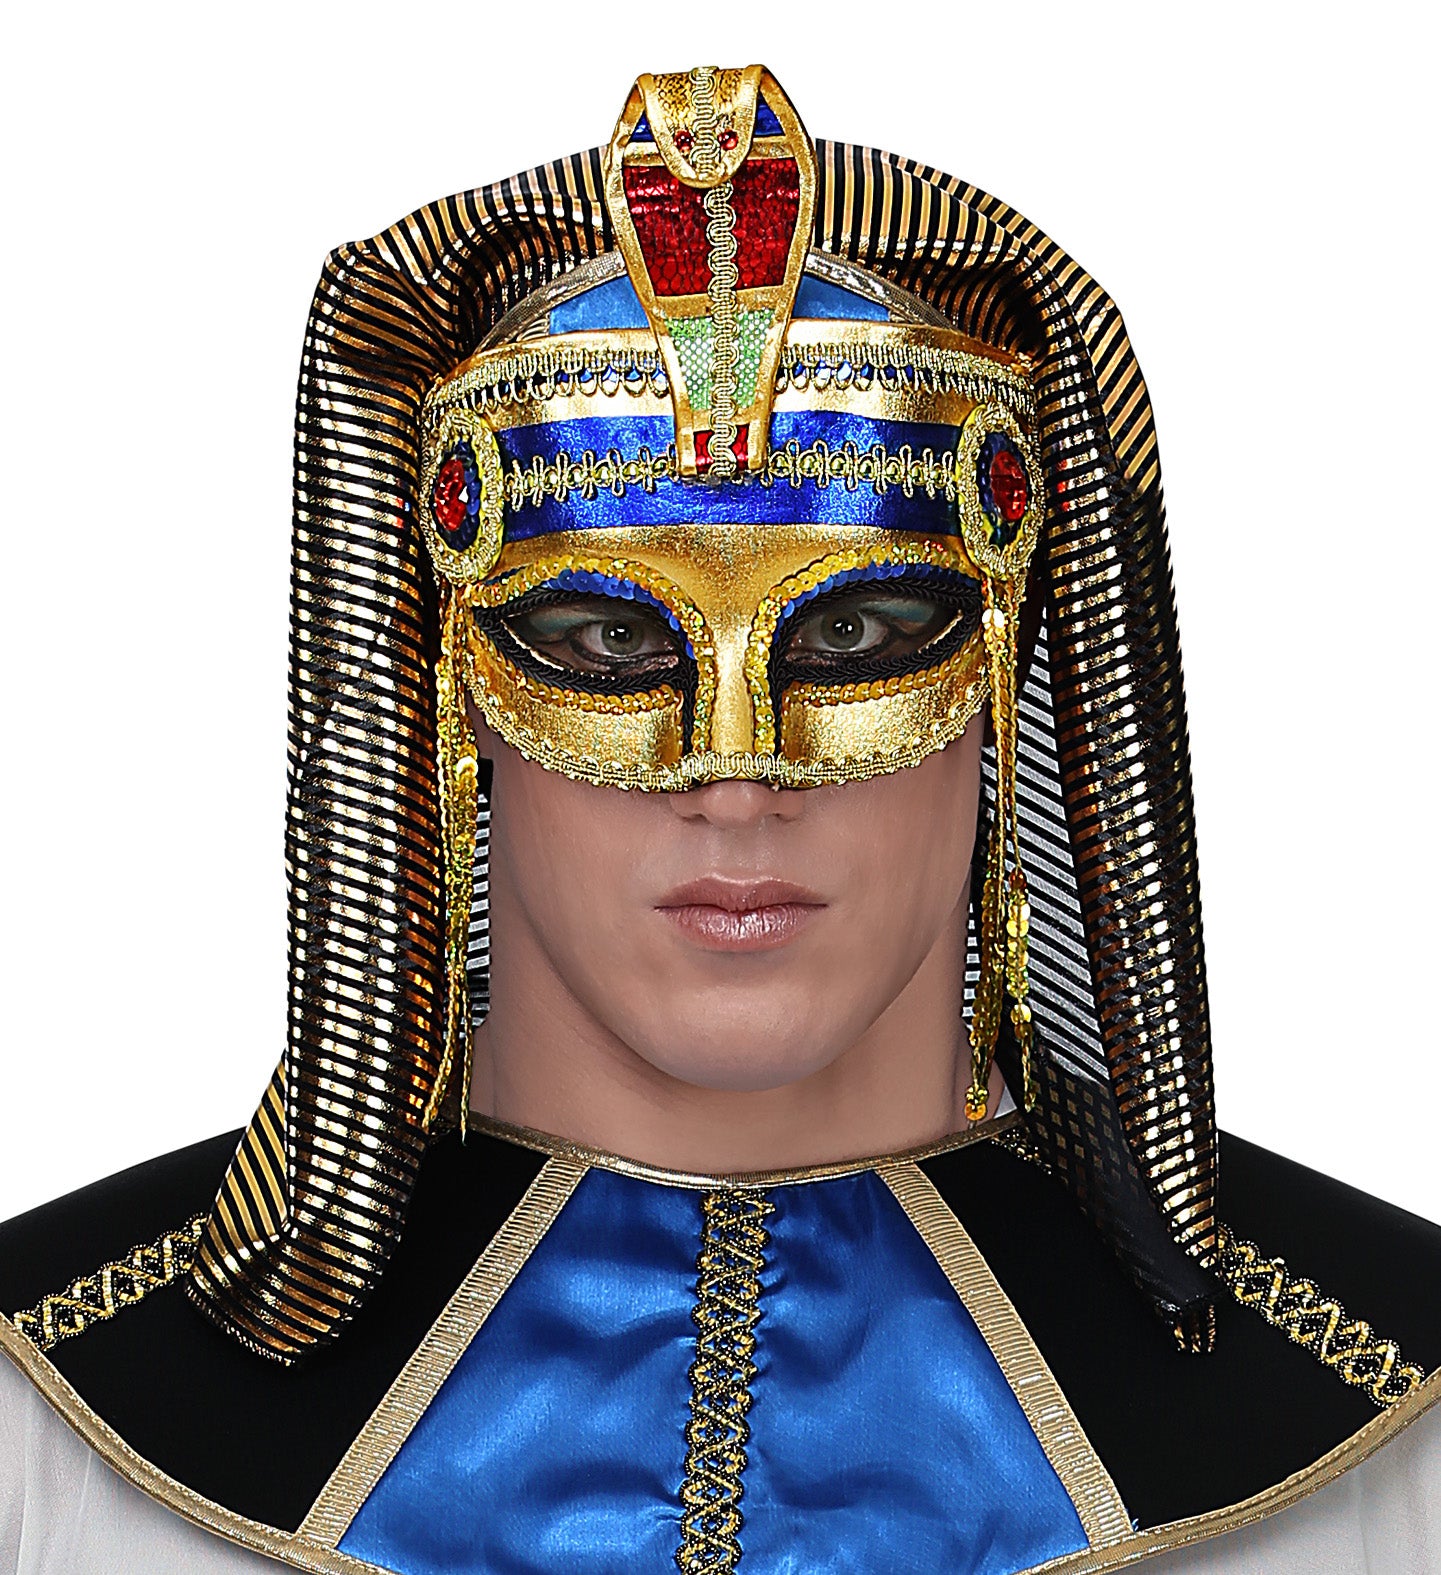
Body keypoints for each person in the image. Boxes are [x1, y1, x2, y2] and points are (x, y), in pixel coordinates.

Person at [1, 63, 1437, 1575]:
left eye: (859, 632)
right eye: (609, 639)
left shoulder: (1394, 1458)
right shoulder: (44, 1449)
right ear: (446, 680)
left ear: (1017, 657)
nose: (737, 778)